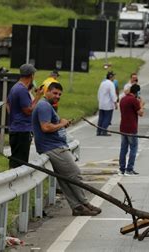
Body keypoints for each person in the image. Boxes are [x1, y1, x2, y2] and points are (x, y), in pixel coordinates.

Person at [32, 82, 101, 216]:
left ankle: (77, 207)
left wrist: (61, 123)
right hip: (53, 147)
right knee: (75, 174)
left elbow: (51, 125)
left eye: (59, 94)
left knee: (65, 179)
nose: (57, 96)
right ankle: (84, 203)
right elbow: (45, 127)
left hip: (55, 145)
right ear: (47, 91)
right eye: (55, 93)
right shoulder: (44, 106)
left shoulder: (47, 106)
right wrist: (62, 124)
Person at [7, 64, 42, 168]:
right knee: (20, 163)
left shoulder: (15, 87)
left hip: (15, 128)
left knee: (16, 159)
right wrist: (38, 97)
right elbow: (28, 110)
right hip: (22, 131)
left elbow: (8, 105)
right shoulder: (22, 90)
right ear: (31, 75)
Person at [119, 84, 143, 176]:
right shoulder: (134, 100)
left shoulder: (123, 99)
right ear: (137, 92)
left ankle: (122, 168)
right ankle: (129, 168)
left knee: (123, 149)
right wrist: (141, 104)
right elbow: (140, 113)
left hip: (123, 127)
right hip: (131, 128)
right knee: (133, 148)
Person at [97, 71, 118, 136]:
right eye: (113, 76)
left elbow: (98, 93)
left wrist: (99, 101)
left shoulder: (102, 83)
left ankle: (98, 131)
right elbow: (113, 94)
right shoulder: (111, 84)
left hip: (101, 104)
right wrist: (115, 103)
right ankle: (104, 131)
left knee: (101, 118)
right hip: (108, 104)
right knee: (107, 118)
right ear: (111, 77)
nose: (114, 77)